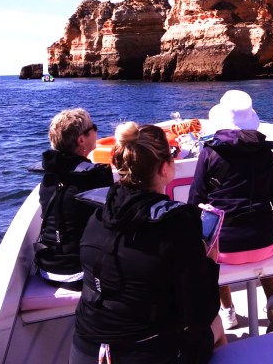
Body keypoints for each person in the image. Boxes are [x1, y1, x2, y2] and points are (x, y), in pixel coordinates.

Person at [71, 122, 224, 364]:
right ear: (165, 168)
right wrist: (211, 261)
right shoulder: (177, 225)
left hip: (86, 350)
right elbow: (201, 311)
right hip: (144, 355)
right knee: (216, 325)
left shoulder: (98, 213)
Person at [188, 90, 273, 333]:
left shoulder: (209, 152)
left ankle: (227, 310)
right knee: (262, 229)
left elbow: (195, 200)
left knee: (209, 242)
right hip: (264, 241)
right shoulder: (265, 153)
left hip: (224, 248)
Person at [34, 108, 113, 287]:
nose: (97, 131)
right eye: (94, 127)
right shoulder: (97, 175)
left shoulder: (50, 174)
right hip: (79, 273)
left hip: (47, 269)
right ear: (81, 140)